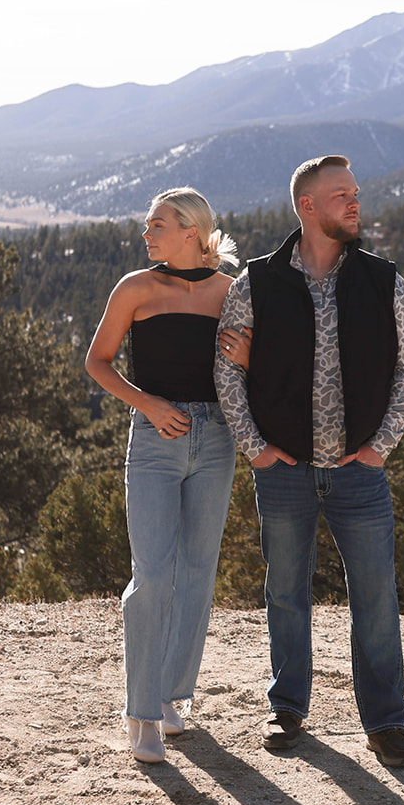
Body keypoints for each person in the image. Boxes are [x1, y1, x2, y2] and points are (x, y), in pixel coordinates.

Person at [215, 154, 404, 768]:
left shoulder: (387, 282)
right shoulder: (255, 282)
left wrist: (381, 445)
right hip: (283, 474)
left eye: (355, 193)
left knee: (377, 599)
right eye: (340, 195)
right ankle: (287, 709)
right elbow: (228, 372)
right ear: (307, 207)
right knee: (285, 591)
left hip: (359, 471)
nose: (354, 203)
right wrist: (255, 448)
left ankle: (385, 722)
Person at [85, 187, 251, 764]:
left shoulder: (232, 293)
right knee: (152, 575)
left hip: (217, 439)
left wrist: (250, 360)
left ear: (190, 231)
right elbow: (97, 362)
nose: (146, 234)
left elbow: (257, 369)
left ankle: (173, 695)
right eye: (146, 226)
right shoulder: (135, 288)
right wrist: (148, 405)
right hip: (155, 438)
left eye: (156, 224)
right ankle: (142, 713)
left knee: (198, 573)